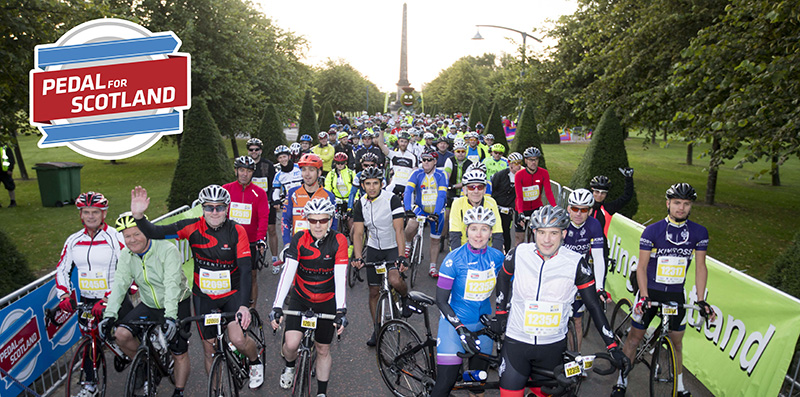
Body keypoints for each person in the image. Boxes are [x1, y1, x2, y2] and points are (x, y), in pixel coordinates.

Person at [130, 185, 264, 388]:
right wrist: (139, 217)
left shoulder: (237, 231)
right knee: (209, 349)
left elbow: (245, 270)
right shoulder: (192, 226)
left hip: (232, 294)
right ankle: (216, 390)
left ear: (227, 208)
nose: (215, 212)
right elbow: (156, 232)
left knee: (237, 339)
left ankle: (255, 361)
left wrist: (244, 305)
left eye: (219, 207)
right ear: (202, 208)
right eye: (209, 207)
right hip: (204, 296)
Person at [494, 205, 630, 397]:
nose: (547, 239)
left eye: (553, 233)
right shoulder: (519, 253)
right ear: (534, 232)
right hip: (517, 343)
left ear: (564, 233)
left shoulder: (575, 262)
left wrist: (612, 346)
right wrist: (500, 312)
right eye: (541, 232)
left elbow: (593, 305)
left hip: (552, 347)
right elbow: (502, 277)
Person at [611, 183, 715, 397]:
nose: (681, 208)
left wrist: (702, 299)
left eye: (686, 204)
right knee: (634, 338)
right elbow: (641, 266)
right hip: (650, 291)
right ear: (668, 203)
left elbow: (701, 267)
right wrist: (645, 296)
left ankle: (680, 386)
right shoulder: (653, 231)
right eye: (677, 203)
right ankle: (621, 381)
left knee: (677, 342)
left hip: (675, 295)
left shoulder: (699, 232)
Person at [99, 213, 192, 397]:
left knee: (178, 353)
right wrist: (109, 315)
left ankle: (179, 391)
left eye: (137, 234)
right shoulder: (126, 255)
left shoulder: (166, 249)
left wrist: (171, 317)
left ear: (147, 232)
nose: (132, 240)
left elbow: (172, 285)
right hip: (149, 303)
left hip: (176, 302)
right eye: (127, 236)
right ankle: (148, 366)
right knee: (121, 334)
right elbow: (120, 284)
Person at [270, 198, 348, 397]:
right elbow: (288, 272)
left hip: (327, 301)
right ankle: (289, 365)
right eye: (313, 221)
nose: (318, 225)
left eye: (323, 220)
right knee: (291, 344)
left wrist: (341, 310)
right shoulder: (299, 238)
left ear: (330, 220)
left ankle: (321, 392)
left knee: (322, 349)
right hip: (301, 298)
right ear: (307, 221)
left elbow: (340, 277)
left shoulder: (339, 240)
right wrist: (277, 306)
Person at [55, 192, 128, 397]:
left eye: (95, 212)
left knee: (128, 337)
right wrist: (64, 295)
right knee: (89, 341)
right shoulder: (73, 240)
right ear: (81, 214)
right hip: (87, 300)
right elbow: (62, 269)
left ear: (103, 213)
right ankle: (90, 384)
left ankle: (145, 369)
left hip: (115, 297)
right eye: (86, 212)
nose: (90, 216)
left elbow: (128, 269)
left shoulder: (115, 237)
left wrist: (109, 297)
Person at [430, 206, 505, 397]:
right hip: (454, 326)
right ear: (466, 231)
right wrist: (460, 329)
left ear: (491, 232)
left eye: (484, 229)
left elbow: (510, 291)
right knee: (444, 386)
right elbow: (441, 300)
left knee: (476, 385)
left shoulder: (497, 258)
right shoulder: (453, 259)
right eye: (473, 229)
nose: (478, 235)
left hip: (483, 328)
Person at [350, 167, 410, 346]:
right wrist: (359, 256)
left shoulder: (392, 200)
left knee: (395, 280)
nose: (372, 187)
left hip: (392, 246)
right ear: (362, 185)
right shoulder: (360, 203)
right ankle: (377, 329)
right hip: (374, 247)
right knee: (374, 291)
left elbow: (399, 230)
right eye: (368, 184)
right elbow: (359, 233)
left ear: (382, 184)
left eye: (375, 183)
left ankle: (405, 297)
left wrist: (401, 255)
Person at [562, 188, 607, 352]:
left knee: (577, 320)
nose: (578, 213)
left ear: (590, 211)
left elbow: (598, 257)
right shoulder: (561, 221)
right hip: (561, 274)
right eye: (575, 208)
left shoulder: (594, 225)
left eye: (584, 210)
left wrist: (599, 287)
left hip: (581, 275)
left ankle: (576, 357)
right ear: (568, 208)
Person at [223, 156, 270, 308]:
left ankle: (252, 311)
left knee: (252, 276)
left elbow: (263, 218)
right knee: (228, 275)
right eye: (241, 170)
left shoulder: (260, 193)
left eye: (248, 171)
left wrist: (261, 239)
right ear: (236, 171)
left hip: (250, 243)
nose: (244, 174)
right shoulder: (226, 190)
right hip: (229, 241)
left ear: (252, 173)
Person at [404, 150, 448, 277]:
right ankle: (407, 243)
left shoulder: (441, 174)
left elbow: (442, 195)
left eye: (429, 160)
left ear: (435, 162)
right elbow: (408, 191)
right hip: (421, 208)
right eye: (424, 160)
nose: (426, 162)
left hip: (437, 210)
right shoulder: (416, 173)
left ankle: (433, 267)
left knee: (435, 240)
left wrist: (435, 213)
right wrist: (407, 209)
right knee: (411, 225)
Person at [282, 153, 338, 248]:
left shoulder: (329, 196)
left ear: (319, 172)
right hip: (298, 246)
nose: (307, 174)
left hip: (321, 247)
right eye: (304, 170)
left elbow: (334, 225)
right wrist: (287, 245)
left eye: (311, 170)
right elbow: (285, 221)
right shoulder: (292, 193)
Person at [449, 169, 504, 252]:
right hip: (463, 250)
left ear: (484, 190)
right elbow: (455, 235)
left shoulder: (491, 203)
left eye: (480, 187)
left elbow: (497, 234)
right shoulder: (457, 203)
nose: (476, 191)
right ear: (464, 190)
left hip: (486, 250)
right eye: (471, 187)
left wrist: (495, 257)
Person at [246, 138, 279, 275]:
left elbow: (273, 184)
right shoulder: (245, 165)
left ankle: (275, 259)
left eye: (256, 149)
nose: (254, 152)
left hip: (267, 201)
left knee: (271, 230)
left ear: (260, 150)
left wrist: (273, 200)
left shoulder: (268, 165)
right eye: (251, 150)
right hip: (251, 203)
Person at [514, 147, 556, 245]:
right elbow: (519, 196)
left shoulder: (543, 173)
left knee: (538, 238)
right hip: (522, 208)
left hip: (537, 209)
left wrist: (555, 207)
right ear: (526, 161)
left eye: (536, 159)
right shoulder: (519, 175)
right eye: (530, 160)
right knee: (519, 239)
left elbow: (548, 192)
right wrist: (520, 212)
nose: (533, 162)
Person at [589, 168, 635, 237]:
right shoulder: (585, 206)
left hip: (601, 245)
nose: (599, 195)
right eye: (597, 192)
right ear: (592, 191)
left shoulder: (609, 208)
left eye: (603, 193)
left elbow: (626, 197)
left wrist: (628, 179)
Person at [490, 152, 522, 252]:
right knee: (494, 230)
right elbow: (492, 190)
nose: (518, 166)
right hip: (497, 206)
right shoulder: (500, 175)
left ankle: (507, 252)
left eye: (520, 163)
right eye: (516, 163)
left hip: (509, 210)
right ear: (510, 164)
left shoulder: (521, 176)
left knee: (505, 231)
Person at [376, 130, 418, 197]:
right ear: (398, 142)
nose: (403, 144)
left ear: (408, 143)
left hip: (407, 186)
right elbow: (381, 145)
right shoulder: (393, 154)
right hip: (394, 185)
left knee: (409, 206)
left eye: (405, 142)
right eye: (401, 141)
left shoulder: (413, 157)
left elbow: (415, 173)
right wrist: (381, 131)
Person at [323, 152, 356, 234]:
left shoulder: (351, 173)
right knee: (336, 222)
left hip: (349, 199)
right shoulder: (331, 174)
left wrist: (355, 198)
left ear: (345, 163)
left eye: (342, 163)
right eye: (338, 163)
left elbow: (356, 187)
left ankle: (352, 243)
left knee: (350, 222)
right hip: (337, 199)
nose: (340, 165)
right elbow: (327, 187)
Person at [0, 143, 16, 207]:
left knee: (10, 186)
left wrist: (10, 169)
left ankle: (13, 201)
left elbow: (11, 159)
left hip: (5, 171)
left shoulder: (5, 148)